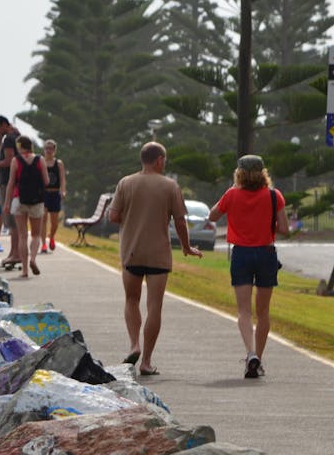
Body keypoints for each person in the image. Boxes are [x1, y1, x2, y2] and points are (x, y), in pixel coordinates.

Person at [108, 142, 202, 376]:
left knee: (131, 299)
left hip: (132, 252)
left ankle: (134, 345)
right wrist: (187, 246)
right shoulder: (170, 186)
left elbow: (113, 216)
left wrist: (132, 221)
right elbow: (180, 221)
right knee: (154, 306)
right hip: (159, 255)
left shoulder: (125, 183)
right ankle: (147, 361)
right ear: (159, 160)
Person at [209, 154, 289, 379]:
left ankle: (250, 353)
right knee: (263, 312)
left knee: (244, 311)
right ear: (263, 172)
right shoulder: (274, 196)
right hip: (266, 254)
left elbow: (212, 215)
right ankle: (258, 360)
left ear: (239, 173)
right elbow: (283, 228)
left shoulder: (232, 194)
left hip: (241, 254)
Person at [3, 135, 49, 278]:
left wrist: (7, 203)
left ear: (20, 146)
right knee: (35, 235)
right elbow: (46, 181)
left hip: (19, 200)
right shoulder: (40, 159)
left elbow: (11, 183)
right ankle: (33, 259)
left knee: (23, 235)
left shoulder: (16, 161)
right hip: (37, 201)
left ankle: (24, 270)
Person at [0, 115, 21, 265]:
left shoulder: (9, 139)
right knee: (14, 220)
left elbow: (10, 161)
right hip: (16, 183)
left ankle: (15, 254)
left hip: (9, 183)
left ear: (4, 125)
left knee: (11, 220)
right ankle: (14, 253)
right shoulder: (16, 135)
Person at [40, 139, 67, 254]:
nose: (49, 150)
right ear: (44, 150)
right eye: (47, 148)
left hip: (55, 193)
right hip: (43, 193)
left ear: (54, 150)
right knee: (43, 218)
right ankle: (43, 244)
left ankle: (51, 236)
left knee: (54, 222)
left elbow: (62, 179)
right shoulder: (41, 162)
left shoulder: (59, 163)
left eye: (51, 148)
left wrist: (63, 191)